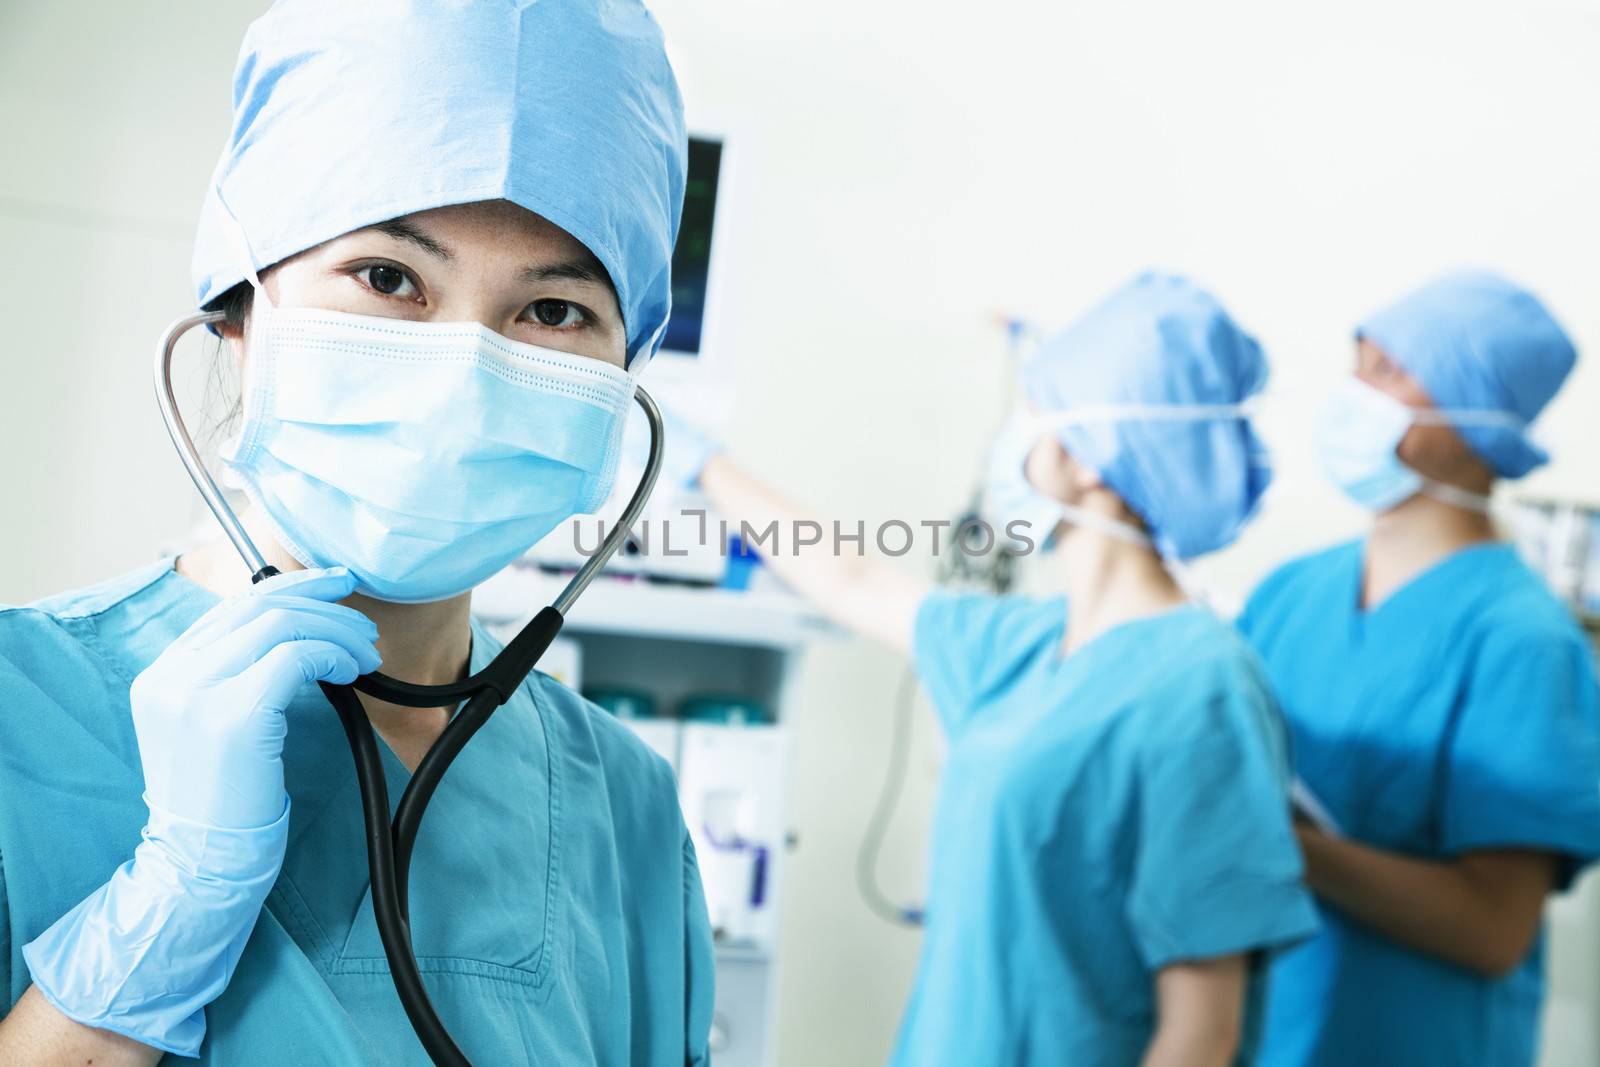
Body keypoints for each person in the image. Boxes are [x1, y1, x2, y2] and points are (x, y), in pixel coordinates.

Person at [0, 3, 713, 1064]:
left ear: (618, 387)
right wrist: (173, 897)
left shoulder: (629, 807)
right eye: (389, 278)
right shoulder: (21, 713)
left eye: (554, 311)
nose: (463, 371)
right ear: (239, 310)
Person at [669, 272, 1317, 1066]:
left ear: (1092, 460)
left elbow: (1201, 1034)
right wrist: (697, 462)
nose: (1014, 439)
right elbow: (853, 578)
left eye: (1036, 415)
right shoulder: (1023, 647)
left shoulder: (1201, 688)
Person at [1237, 271, 1600, 1067]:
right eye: (1357, 363)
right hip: (1266, 1032)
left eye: (1388, 371)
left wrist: (1283, 842)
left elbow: (1492, 929)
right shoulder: (1288, 593)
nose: (1353, 394)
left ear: (1478, 415)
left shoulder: (1523, 641)